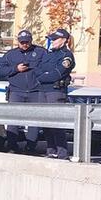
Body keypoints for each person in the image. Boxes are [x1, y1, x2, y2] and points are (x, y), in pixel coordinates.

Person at [0, 29, 45, 153]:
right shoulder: (11, 54)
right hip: (16, 91)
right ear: (18, 41)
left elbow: (48, 67)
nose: (25, 44)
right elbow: (0, 69)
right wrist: (15, 68)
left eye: (27, 42)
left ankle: (31, 147)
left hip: (35, 91)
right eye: (22, 42)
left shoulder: (40, 52)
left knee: (34, 120)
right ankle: (12, 145)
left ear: (31, 41)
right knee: (13, 119)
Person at [36, 28, 76, 160]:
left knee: (57, 124)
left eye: (55, 39)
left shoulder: (66, 56)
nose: (52, 41)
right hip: (43, 91)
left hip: (56, 91)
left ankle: (62, 153)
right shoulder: (49, 54)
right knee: (45, 123)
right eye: (51, 39)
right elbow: (38, 71)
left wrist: (44, 76)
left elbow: (57, 74)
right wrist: (43, 76)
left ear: (64, 40)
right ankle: (51, 151)